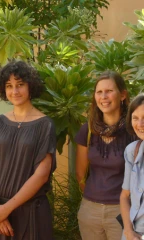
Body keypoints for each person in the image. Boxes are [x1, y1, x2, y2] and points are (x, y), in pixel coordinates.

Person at [0, 60, 56, 240]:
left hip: (31, 214)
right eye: (9, 86)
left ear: (31, 86)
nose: (14, 91)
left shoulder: (45, 124)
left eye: (20, 85)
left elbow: (42, 175)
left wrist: (6, 209)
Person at [75, 71, 136, 240]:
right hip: (90, 210)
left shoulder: (134, 131)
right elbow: (80, 174)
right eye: (99, 92)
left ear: (122, 95)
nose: (104, 97)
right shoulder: (87, 130)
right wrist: (94, 199)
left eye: (109, 91)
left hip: (123, 211)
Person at [120, 93, 144, 240]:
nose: (140, 124)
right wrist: (128, 231)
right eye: (135, 118)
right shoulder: (132, 150)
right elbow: (124, 196)